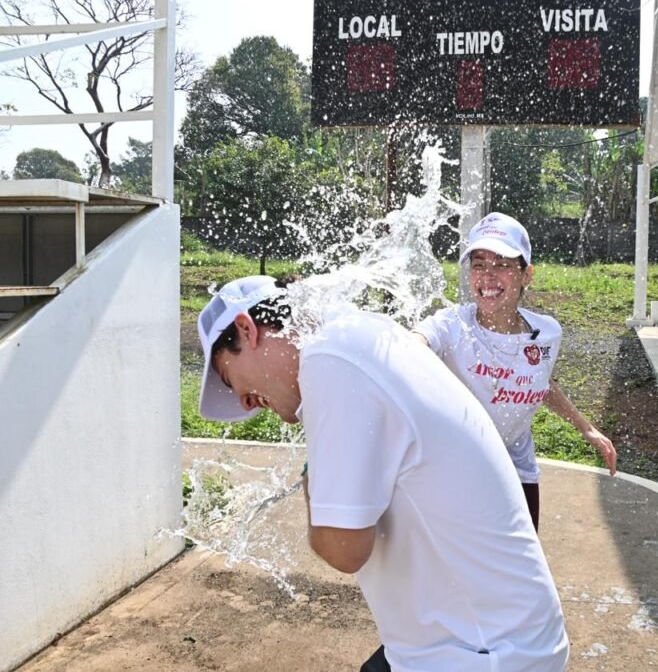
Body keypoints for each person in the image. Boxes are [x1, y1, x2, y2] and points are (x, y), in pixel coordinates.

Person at [197, 275, 570, 672]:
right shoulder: (360, 335)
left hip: (483, 654)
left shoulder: (330, 358)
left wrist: (312, 485)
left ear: (245, 328)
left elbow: (344, 549)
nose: (246, 402)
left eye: (229, 377)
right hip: (494, 639)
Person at [413, 212, 617, 530]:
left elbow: (541, 383)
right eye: (478, 264)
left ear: (526, 274)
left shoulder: (546, 332)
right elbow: (413, 346)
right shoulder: (452, 325)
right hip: (456, 466)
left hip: (516, 465)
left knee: (522, 563)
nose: (488, 276)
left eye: (503, 265)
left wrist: (586, 428)